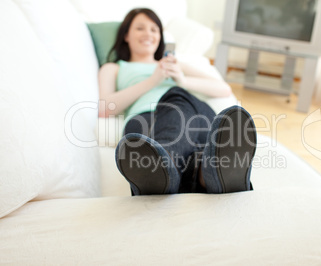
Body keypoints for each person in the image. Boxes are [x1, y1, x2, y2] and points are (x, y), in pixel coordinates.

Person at [98, 8, 257, 195]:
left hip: (194, 115)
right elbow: (104, 109)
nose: (148, 34)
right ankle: (206, 176)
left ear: (160, 37)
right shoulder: (114, 67)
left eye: (154, 29)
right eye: (140, 28)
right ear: (126, 35)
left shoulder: (174, 63)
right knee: (180, 119)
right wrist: (152, 81)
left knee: (178, 97)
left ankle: (164, 172)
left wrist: (183, 80)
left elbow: (223, 89)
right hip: (147, 120)